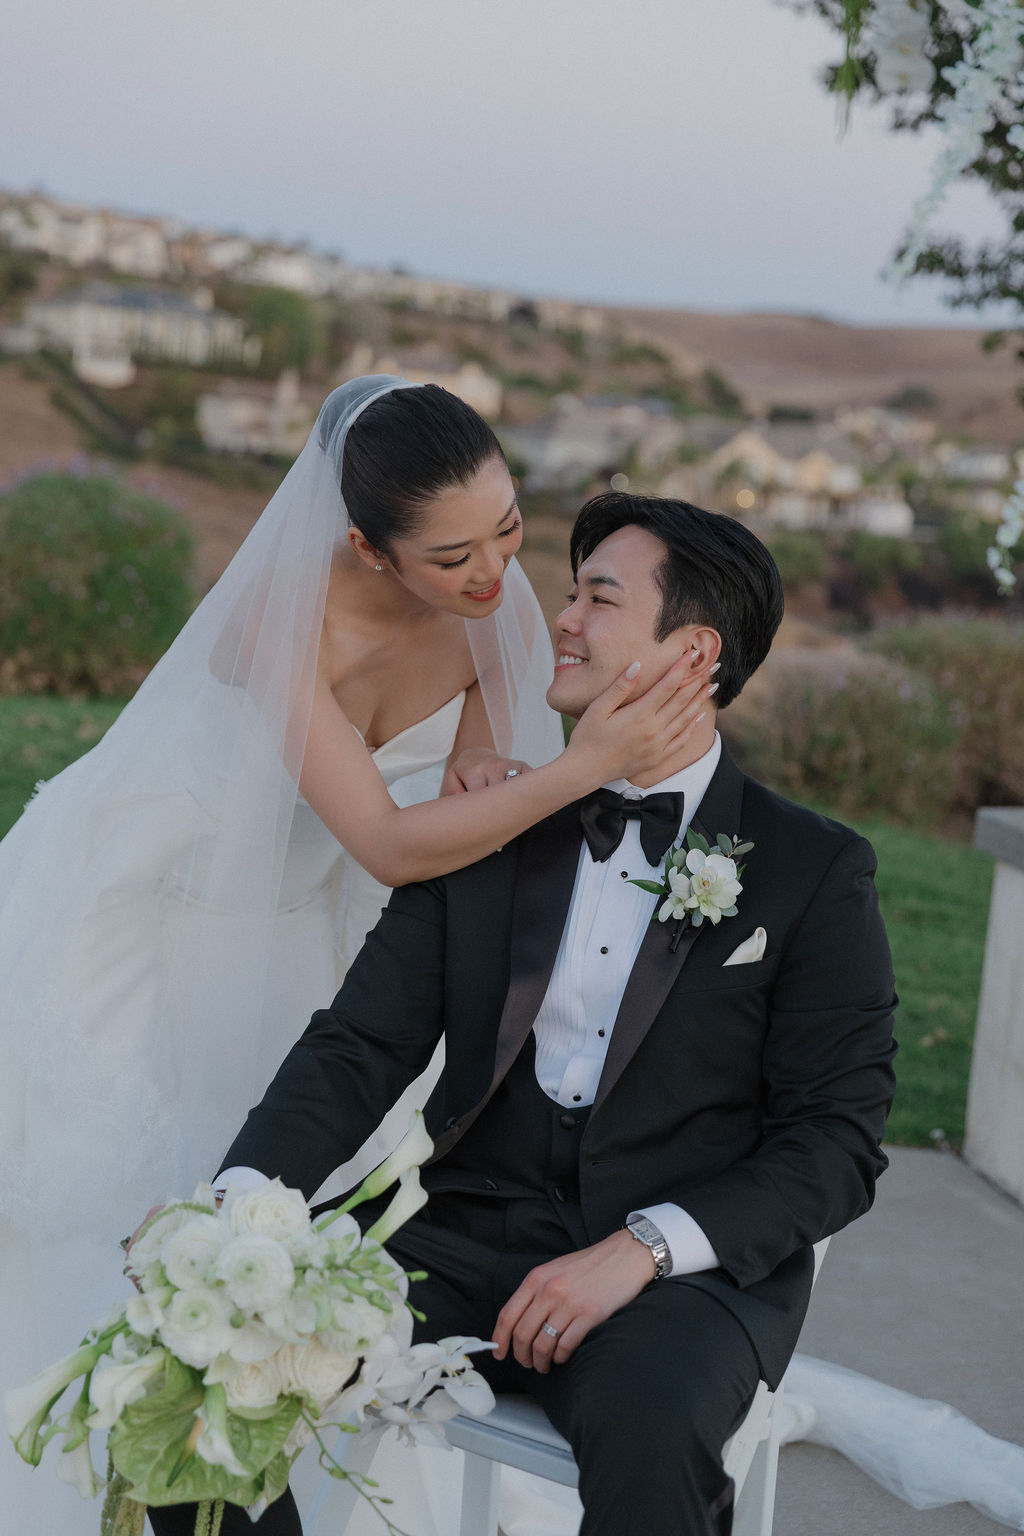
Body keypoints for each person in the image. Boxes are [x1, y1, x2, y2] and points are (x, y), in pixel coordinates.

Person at [0, 383, 710, 1536]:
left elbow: (475, 786)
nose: (493, 575)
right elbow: (383, 836)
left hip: (295, 929)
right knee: (111, 1212)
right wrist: (586, 765)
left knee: (283, 1228)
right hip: (137, 917)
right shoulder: (270, 627)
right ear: (364, 549)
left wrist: (491, 769)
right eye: (451, 556)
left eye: (509, 529)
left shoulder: (486, 591)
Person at [204, 492, 899, 1536]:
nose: (559, 619)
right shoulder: (491, 825)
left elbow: (836, 1142)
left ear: (691, 650)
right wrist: (239, 1199)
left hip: (670, 1281)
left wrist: (639, 1250)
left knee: (652, 1436)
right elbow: (360, 1047)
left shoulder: (813, 870)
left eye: (597, 598)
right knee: (200, 1366)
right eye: (568, 591)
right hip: (454, 1234)